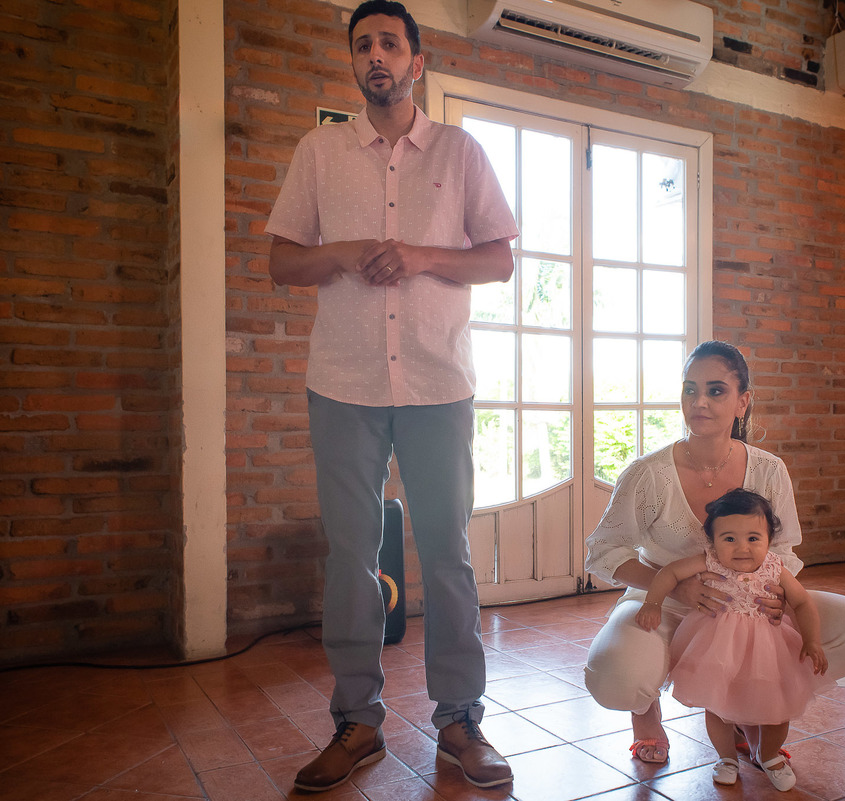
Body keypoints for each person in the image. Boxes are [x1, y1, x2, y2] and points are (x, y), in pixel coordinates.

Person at [265, 1, 518, 792]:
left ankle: (459, 721)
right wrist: (339, 251)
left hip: (438, 381)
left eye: (390, 43)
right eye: (363, 45)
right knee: (350, 557)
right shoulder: (318, 151)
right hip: (342, 381)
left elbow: (500, 260)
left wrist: (417, 254)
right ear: (354, 63)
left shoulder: (460, 151)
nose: (376, 55)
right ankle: (357, 721)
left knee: (447, 553)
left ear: (417, 60)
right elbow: (281, 261)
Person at [584, 340, 845, 767]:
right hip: (664, 600)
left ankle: (746, 708)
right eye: (690, 389)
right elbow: (605, 551)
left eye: (716, 390)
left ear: (743, 402)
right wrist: (677, 588)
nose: (699, 401)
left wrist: (777, 595)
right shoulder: (647, 474)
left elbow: (783, 550)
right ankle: (645, 711)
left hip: (749, 607)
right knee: (618, 678)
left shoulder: (769, 470)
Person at [636, 488, 831, 791]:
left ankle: (769, 757)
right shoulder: (710, 562)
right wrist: (652, 603)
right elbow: (670, 573)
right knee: (718, 706)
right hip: (717, 648)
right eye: (729, 538)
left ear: (769, 539)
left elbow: (803, 603)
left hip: (769, 651)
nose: (742, 548)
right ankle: (726, 758)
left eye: (753, 538)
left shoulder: (775, 568)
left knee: (777, 708)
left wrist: (812, 640)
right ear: (712, 541)